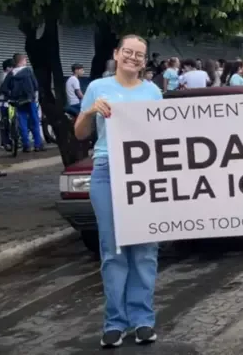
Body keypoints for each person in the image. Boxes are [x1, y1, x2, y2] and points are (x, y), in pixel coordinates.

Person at [74, 35, 163, 348]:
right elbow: (80, 133)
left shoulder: (153, 92)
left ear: (144, 60)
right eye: (128, 52)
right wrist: (88, 112)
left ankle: (142, 320)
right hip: (107, 171)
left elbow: (164, 135)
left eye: (140, 54)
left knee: (144, 248)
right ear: (116, 54)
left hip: (144, 175)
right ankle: (115, 322)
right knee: (113, 250)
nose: (133, 58)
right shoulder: (98, 88)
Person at [0, 53, 45, 152]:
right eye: (25, 60)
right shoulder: (28, 71)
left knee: (22, 123)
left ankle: (26, 145)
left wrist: (10, 96)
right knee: (34, 121)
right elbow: (35, 85)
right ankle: (38, 144)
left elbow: (4, 88)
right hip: (30, 99)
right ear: (22, 61)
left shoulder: (11, 74)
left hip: (17, 101)